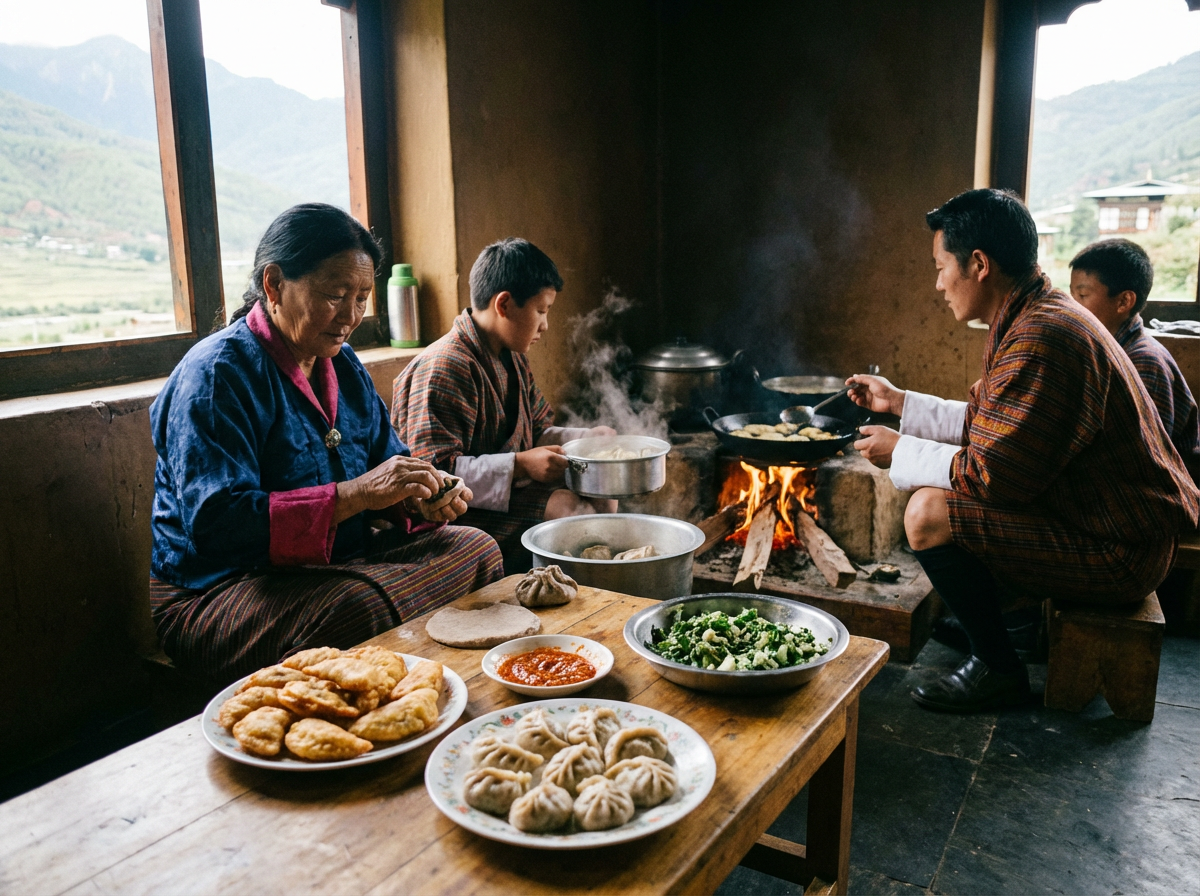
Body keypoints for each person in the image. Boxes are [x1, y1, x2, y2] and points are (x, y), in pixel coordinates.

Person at [848, 188, 1199, 713]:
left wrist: (901, 451)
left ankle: (997, 666)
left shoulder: (1042, 336)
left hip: (1120, 551)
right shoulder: (1035, 313)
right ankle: (1000, 630)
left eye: (941, 267)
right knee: (941, 499)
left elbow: (994, 476)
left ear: (979, 264)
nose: (938, 283)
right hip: (1105, 525)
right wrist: (899, 403)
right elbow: (1000, 427)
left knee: (928, 513)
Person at [149, 204, 503, 682]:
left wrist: (422, 495)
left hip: (336, 566)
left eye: (362, 299)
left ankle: (448, 688)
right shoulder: (216, 375)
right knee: (357, 608)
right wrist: (356, 495)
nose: (351, 316)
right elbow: (219, 527)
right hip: (220, 591)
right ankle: (405, 703)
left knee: (477, 549)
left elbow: (388, 465)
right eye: (336, 296)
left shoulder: (343, 364)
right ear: (274, 285)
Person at [391, 237, 616, 571]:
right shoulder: (444, 366)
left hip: (501, 496)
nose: (545, 325)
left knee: (603, 494)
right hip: (454, 516)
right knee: (569, 511)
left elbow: (536, 429)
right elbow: (433, 477)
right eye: (541, 311)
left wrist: (586, 439)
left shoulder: (512, 356)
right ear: (505, 304)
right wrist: (521, 465)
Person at [1069, 238, 1200, 483]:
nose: (1072, 306)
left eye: (1083, 295)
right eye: (1071, 295)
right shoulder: (1106, 349)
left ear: (1124, 302)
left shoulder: (1144, 362)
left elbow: (1141, 460)